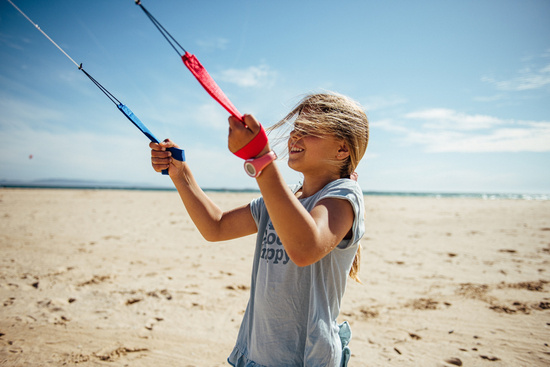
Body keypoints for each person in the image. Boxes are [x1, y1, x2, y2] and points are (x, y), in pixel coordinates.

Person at [150, 92, 369, 366]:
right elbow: (215, 227)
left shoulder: (344, 195)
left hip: (305, 359)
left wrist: (260, 158)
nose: (295, 137)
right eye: (296, 129)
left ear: (342, 149)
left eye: (310, 130)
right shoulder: (284, 197)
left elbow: (305, 247)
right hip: (255, 353)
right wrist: (180, 174)